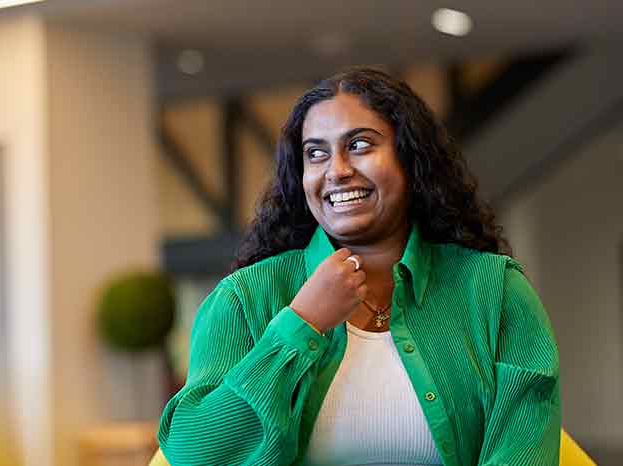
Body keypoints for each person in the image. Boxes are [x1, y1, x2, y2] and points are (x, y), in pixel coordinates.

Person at [156, 67, 560, 466]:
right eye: (316, 153)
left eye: (361, 145)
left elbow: (526, 451)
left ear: (411, 159)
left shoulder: (495, 290)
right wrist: (301, 325)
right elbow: (195, 455)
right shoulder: (245, 297)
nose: (337, 170)